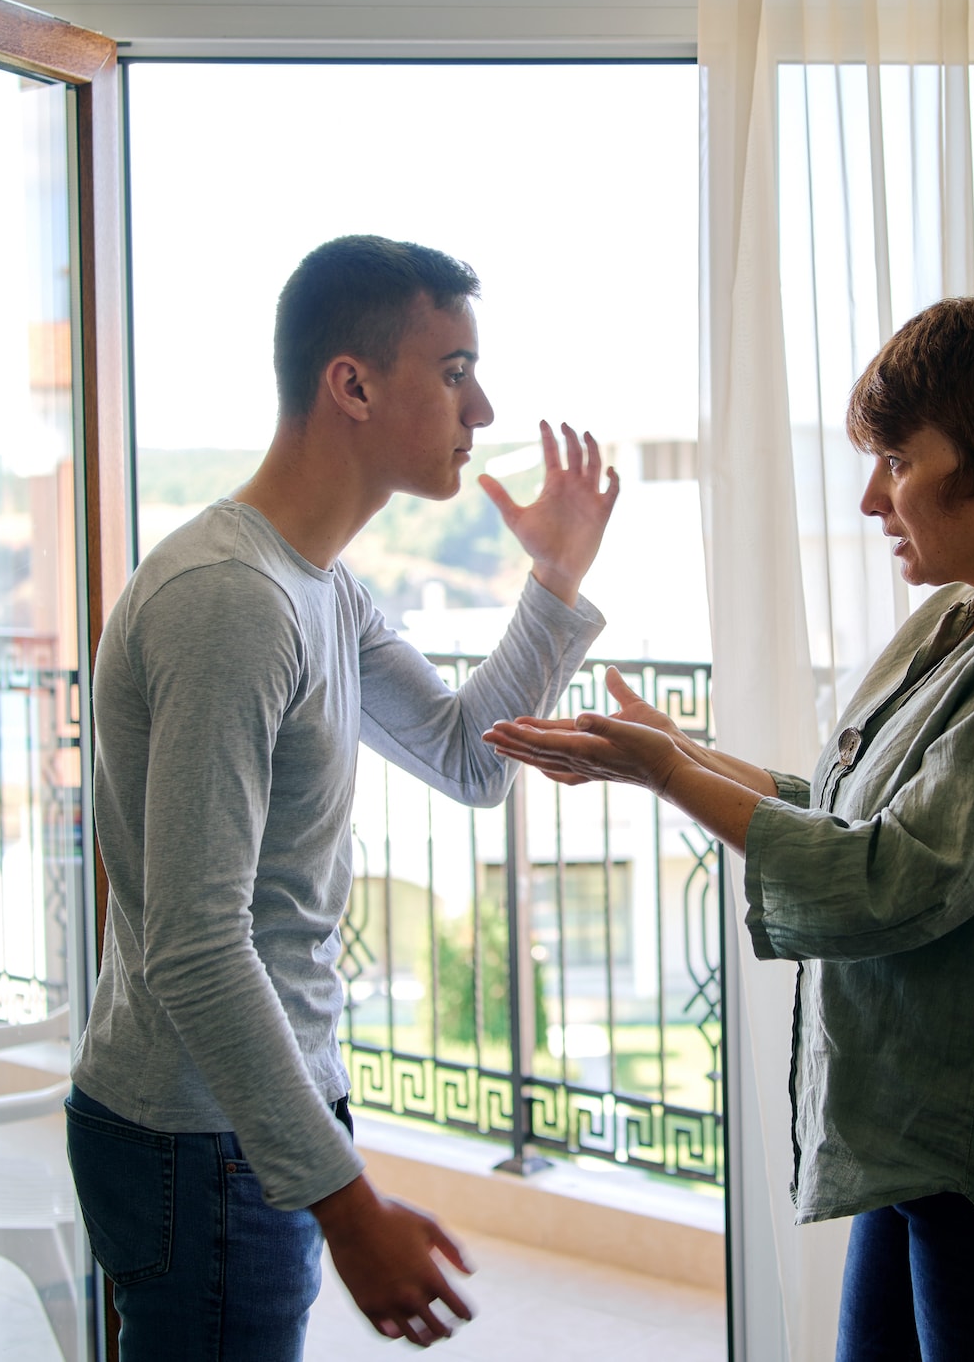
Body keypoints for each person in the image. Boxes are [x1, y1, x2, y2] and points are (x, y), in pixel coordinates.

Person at [484, 297, 974, 1362]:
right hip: (927, 1143)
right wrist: (670, 756)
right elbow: (846, 811)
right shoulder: (966, 617)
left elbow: (891, 879)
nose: (871, 498)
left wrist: (671, 772)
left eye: (897, 462)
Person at [67, 235, 618, 1356]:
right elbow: (195, 943)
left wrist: (554, 578)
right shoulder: (231, 600)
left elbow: (469, 757)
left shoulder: (319, 586)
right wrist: (344, 1201)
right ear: (352, 384)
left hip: (241, 1127)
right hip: (198, 1138)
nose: (483, 408)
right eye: (456, 371)